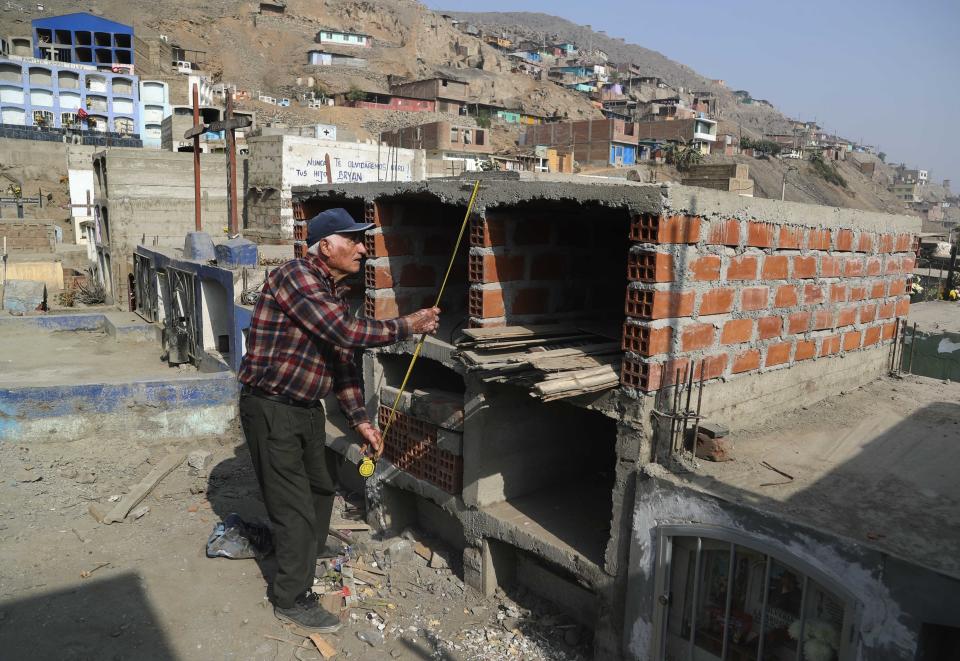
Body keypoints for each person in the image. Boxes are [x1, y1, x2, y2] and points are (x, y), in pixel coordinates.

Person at [237, 208, 440, 632]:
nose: (364, 248)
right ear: (326, 245)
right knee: (292, 507)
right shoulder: (296, 276)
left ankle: (305, 552)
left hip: (305, 409)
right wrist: (406, 325)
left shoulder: (331, 290)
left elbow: (343, 360)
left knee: (319, 489)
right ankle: (291, 596)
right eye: (355, 240)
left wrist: (360, 421)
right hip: (272, 408)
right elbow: (347, 332)